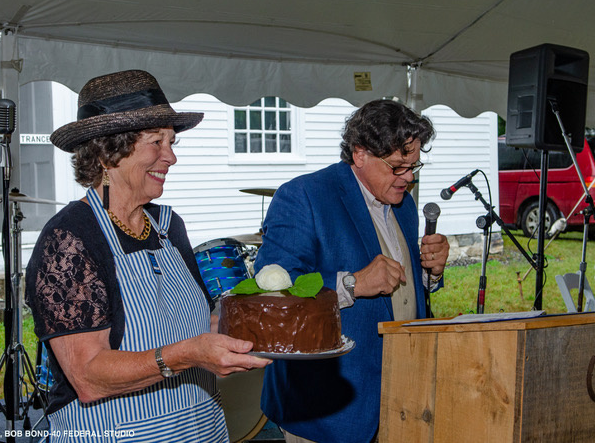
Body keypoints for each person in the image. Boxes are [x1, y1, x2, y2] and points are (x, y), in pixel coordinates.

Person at [25, 69, 270, 443]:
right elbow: (89, 376)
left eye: (171, 142)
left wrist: (252, 325)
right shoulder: (69, 239)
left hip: (201, 428)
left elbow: (195, 326)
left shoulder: (170, 226)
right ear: (109, 153)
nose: (170, 157)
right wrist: (188, 355)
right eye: (156, 142)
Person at [253, 99, 450, 443]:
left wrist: (429, 273)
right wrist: (352, 283)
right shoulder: (303, 196)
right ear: (360, 154)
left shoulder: (403, 204)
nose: (408, 178)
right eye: (397, 167)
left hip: (400, 400)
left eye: (414, 167)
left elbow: (397, 291)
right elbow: (274, 294)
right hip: (328, 413)